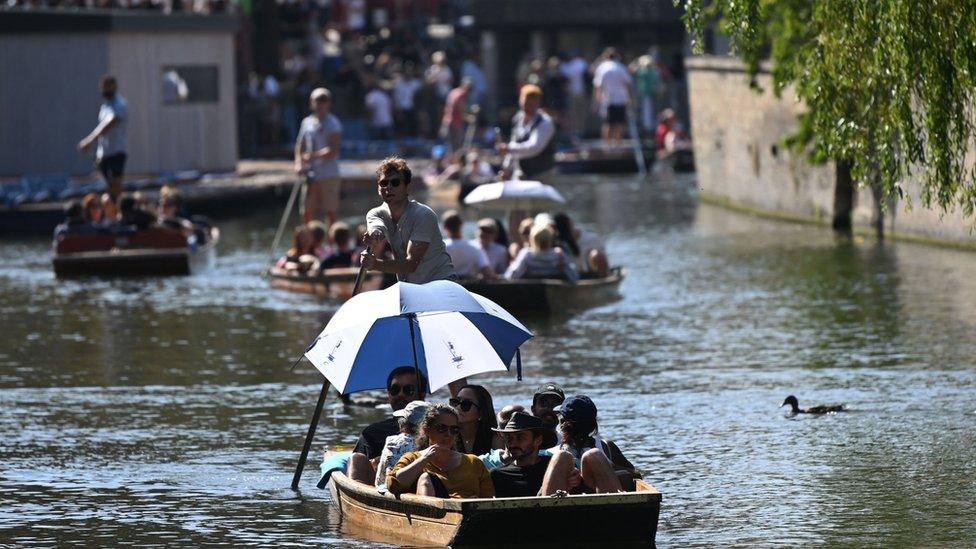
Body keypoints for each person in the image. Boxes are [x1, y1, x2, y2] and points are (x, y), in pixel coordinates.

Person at [362, 157, 455, 284]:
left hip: (442, 283)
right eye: (384, 183)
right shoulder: (375, 213)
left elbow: (411, 264)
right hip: (412, 286)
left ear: (407, 187)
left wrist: (375, 265)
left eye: (395, 183)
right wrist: (375, 235)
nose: (388, 187)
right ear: (378, 189)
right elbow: (377, 226)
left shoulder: (423, 215)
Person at [387, 405, 495, 499]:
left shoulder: (473, 462)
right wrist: (425, 458)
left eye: (453, 430)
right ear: (426, 430)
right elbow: (394, 484)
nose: (448, 434)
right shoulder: (412, 458)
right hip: (434, 519)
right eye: (441, 428)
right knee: (426, 478)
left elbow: (489, 499)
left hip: (471, 518)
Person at [347, 367, 428, 484]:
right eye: (395, 389)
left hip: (424, 485)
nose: (400, 394)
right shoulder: (372, 433)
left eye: (408, 390)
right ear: (388, 393)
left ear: (421, 394)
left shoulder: (437, 430)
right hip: (381, 489)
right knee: (355, 458)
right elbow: (361, 467)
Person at [556, 395, 639, 491]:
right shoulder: (605, 447)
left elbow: (636, 476)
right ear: (593, 424)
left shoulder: (606, 447)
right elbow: (636, 475)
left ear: (562, 423)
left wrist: (605, 470)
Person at [295, 87, 342, 226]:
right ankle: (309, 242)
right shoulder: (306, 122)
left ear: (328, 104)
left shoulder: (333, 123)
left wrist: (312, 156)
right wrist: (298, 163)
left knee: (330, 211)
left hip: (328, 174)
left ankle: (332, 243)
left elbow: (333, 149)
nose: (320, 104)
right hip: (310, 175)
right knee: (306, 211)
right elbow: (300, 146)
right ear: (311, 102)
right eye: (318, 100)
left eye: (324, 101)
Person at [77, 75, 129, 200]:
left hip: (116, 152)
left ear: (114, 87)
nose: (104, 90)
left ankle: (117, 211)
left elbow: (107, 124)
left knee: (116, 186)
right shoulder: (105, 106)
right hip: (104, 154)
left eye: (106, 87)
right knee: (106, 187)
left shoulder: (120, 104)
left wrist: (90, 139)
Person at [489, 411, 563, 497]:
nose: (512, 444)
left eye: (520, 437)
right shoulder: (498, 476)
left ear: (538, 440)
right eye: (509, 437)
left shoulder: (554, 466)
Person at [497, 84, 556, 183]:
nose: (527, 108)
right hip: (521, 174)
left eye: (531, 104)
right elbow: (514, 144)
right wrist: (506, 169)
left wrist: (509, 148)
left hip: (541, 176)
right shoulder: (518, 119)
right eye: (525, 104)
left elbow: (534, 147)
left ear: (538, 103)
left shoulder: (545, 122)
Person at [375, 400, 434, 492]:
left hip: (389, 489)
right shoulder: (433, 443)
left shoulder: (392, 441)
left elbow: (380, 479)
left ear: (404, 423)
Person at [505, 224, 578, 281]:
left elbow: (511, 276)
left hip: (529, 295)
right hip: (554, 295)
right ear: (550, 239)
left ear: (533, 239)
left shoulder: (527, 254)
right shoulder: (559, 255)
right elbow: (574, 277)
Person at [592, 48, 633, 147]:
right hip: (620, 99)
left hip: (608, 100)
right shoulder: (620, 67)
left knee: (607, 123)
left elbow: (598, 86)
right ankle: (618, 144)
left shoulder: (602, 68)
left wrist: (596, 102)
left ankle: (607, 145)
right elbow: (628, 83)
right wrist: (630, 98)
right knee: (619, 123)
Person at [553, 212, 609, 278]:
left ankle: (602, 282)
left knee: (597, 255)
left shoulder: (592, 239)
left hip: (589, 275)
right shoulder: (557, 244)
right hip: (571, 277)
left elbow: (604, 264)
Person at [442, 210, 493, 279]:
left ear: (445, 227)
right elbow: (487, 273)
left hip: (445, 286)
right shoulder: (475, 246)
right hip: (468, 287)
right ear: (462, 224)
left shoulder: (440, 247)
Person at [451, 384, 500, 455]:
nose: (458, 407)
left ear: (481, 412)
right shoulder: (447, 434)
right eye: (456, 401)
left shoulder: (495, 439)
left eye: (466, 404)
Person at [560, 50, 590, 143]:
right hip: (579, 93)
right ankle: (578, 133)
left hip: (573, 93)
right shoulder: (581, 64)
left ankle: (576, 134)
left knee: (574, 114)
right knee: (579, 114)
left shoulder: (569, 66)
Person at [632, 54, 663, 134]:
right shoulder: (655, 71)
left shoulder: (644, 71)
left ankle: (648, 129)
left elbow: (633, 69)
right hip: (650, 95)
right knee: (649, 112)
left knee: (647, 113)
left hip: (647, 95)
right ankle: (649, 128)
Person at [441, 79, 472, 154]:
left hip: (446, 121)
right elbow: (460, 110)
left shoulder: (453, 91)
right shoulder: (460, 95)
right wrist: (469, 118)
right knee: (456, 147)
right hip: (454, 123)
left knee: (449, 146)